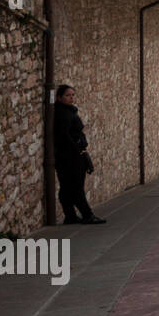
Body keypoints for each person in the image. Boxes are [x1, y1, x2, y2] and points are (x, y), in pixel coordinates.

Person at [53, 85, 106, 225]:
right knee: (75, 187)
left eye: (73, 95)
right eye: (67, 95)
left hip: (70, 156)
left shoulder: (67, 111)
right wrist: (76, 149)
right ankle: (87, 214)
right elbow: (64, 135)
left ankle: (70, 215)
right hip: (70, 157)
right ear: (59, 97)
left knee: (66, 188)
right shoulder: (63, 113)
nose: (71, 98)